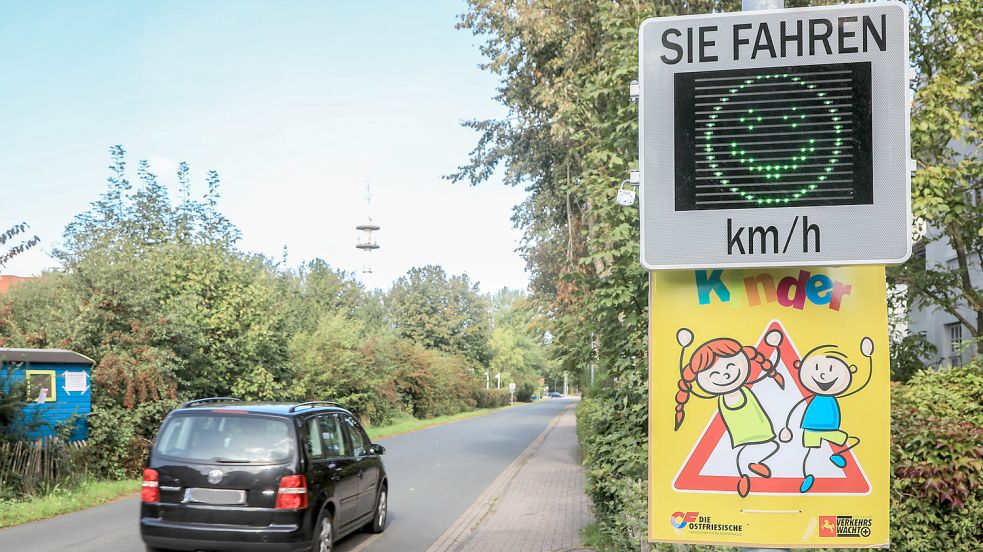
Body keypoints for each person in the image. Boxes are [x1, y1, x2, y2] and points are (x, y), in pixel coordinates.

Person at [674, 327, 785, 497]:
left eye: (731, 366)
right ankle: (749, 468)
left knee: (756, 452)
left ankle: (748, 470)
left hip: (754, 436)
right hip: (752, 436)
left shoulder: (739, 392)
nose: (724, 375)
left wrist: (774, 355)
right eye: (714, 374)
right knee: (755, 452)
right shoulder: (730, 396)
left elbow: (770, 390)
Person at [780, 337, 874, 493]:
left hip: (828, 428)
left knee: (847, 440)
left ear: (849, 371)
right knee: (811, 451)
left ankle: (836, 456)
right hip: (810, 427)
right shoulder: (814, 398)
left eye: (831, 370)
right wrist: (786, 427)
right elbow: (795, 408)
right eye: (816, 368)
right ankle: (808, 475)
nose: (823, 375)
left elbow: (862, 384)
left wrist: (868, 358)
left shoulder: (832, 398)